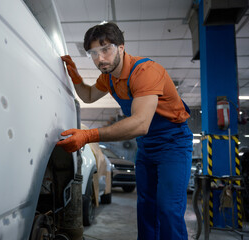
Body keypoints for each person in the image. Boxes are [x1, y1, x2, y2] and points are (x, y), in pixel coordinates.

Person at [56, 22, 193, 240]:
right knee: (146, 207)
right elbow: (89, 96)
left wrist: (89, 136)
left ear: (121, 47)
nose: (99, 58)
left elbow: (140, 124)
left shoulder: (145, 72)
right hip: (147, 146)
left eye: (105, 49)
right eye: (93, 53)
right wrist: (75, 77)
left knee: (168, 208)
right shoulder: (108, 77)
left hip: (173, 144)